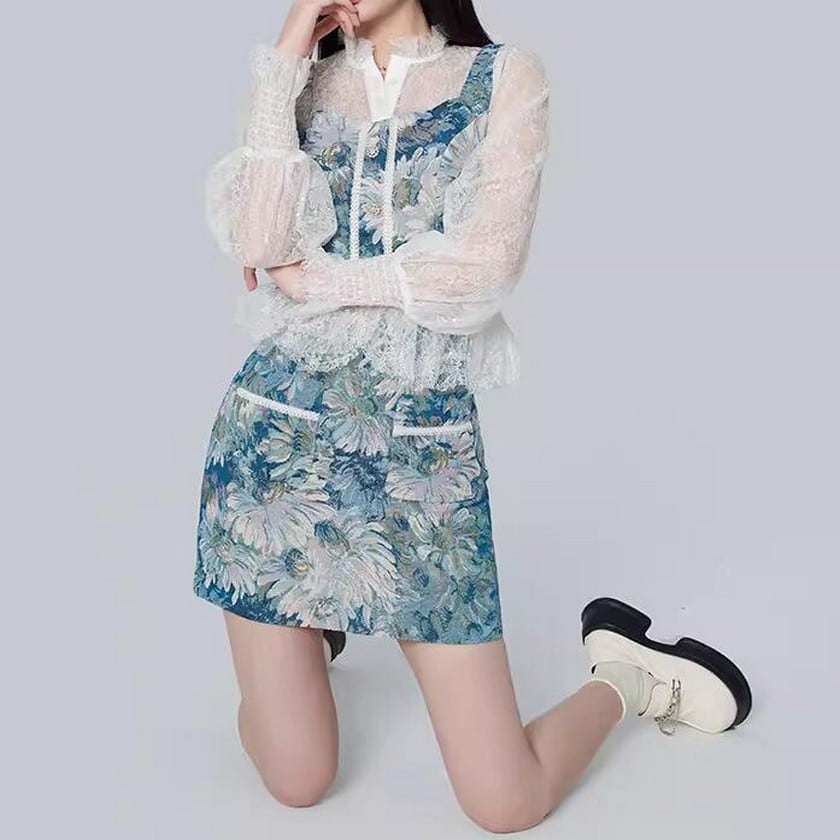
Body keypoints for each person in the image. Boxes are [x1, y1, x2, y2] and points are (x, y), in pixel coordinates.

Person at [193, 0, 753, 831]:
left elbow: (485, 267)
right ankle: (310, 629)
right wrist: (283, 62)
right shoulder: (295, 84)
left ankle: (630, 676)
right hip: (272, 450)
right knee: (298, 780)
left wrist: (324, 282)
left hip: (420, 463)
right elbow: (258, 240)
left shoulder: (502, 78)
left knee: (505, 801)